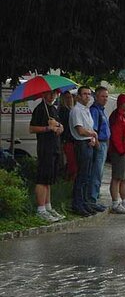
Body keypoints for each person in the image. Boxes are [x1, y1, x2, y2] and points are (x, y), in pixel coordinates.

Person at [29, 90, 66, 222]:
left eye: (54, 93)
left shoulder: (52, 109)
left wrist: (59, 127)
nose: (52, 96)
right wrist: (47, 128)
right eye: (49, 93)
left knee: (49, 179)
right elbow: (32, 128)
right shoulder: (40, 109)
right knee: (43, 179)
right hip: (45, 148)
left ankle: (48, 206)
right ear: (44, 94)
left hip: (54, 147)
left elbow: (58, 125)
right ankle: (41, 209)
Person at [69, 86, 99, 216]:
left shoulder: (86, 110)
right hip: (81, 144)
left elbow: (88, 129)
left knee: (87, 176)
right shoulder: (76, 111)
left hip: (88, 143)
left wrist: (92, 136)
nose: (87, 96)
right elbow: (80, 130)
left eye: (89, 94)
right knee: (82, 176)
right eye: (84, 94)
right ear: (79, 96)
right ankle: (77, 204)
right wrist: (93, 134)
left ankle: (85, 203)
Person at [109, 93, 125, 214]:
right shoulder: (117, 117)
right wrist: (121, 151)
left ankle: (124, 200)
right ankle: (115, 202)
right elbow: (116, 136)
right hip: (120, 152)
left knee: (124, 178)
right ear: (121, 103)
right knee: (117, 178)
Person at [88, 86, 110, 210]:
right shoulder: (95, 111)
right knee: (96, 172)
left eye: (106, 96)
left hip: (104, 143)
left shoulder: (102, 110)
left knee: (100, 173)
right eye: (103, 96)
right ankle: (92, 200)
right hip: (99, 143)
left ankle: (95, 197)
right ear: (96, 97)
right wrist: (97, 145)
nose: (105, 99)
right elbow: (94, 130)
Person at [58, 90, 77, 181]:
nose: (70, 99)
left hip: (70, 140)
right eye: (68, 98)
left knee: (72, 164)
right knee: (71, 164)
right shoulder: (64, 111)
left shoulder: (70, 110)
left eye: (71, 97)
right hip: (67, 140)